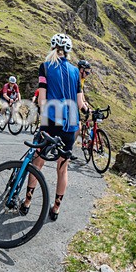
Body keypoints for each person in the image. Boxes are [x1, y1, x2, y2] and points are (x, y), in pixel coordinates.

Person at [21, 33, 86, 221]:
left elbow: (42, 99)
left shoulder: (46, 67)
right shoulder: (76, 72)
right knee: (62, 168)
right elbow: (80, 103)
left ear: (52, 48)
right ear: (68, 52)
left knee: (38, 162)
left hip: (51, 119)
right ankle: (56, 208)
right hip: (71, 122)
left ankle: (27, 202)